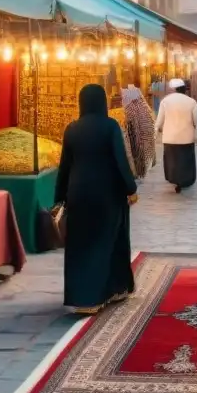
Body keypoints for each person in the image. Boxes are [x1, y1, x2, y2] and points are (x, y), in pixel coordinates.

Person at [54, 84, 138, 315]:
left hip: (78, 192)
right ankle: (105, 291)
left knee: (81, 244)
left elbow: (65, 166)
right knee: (107, 240)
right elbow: (120, 160)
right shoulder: (109, 126)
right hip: (107, 193)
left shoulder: (72, 129)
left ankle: (82, 296)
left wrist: (60, 196)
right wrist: (131, 188)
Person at [156, 78, 197, 193]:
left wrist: (154, 134)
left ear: (173, 89)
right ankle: (184, 181)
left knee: (172, 161)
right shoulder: (191, 102)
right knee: (185, 161)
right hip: (186, 138)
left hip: (170, 138)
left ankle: (175, 181)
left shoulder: (165, 101)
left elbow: (159, 121)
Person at [121, 84, 156, 179]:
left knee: (137, 153)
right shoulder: (143, 106)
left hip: (138, 138)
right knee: (141, 154)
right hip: (145, 138)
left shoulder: (130, 109)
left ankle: (138, 171)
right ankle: (140, 170)